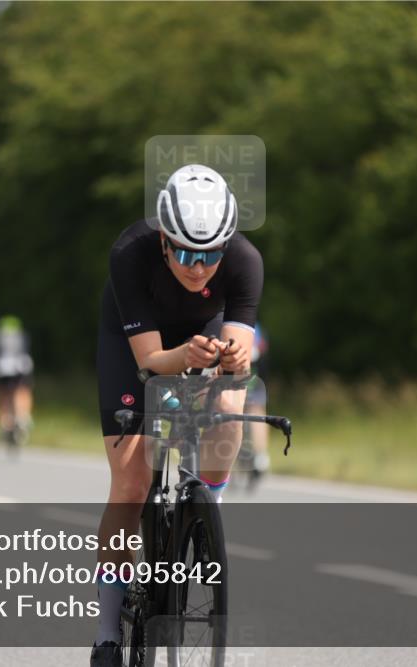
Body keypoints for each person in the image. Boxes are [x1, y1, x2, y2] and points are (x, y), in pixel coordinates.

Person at [91, 164, 263, 666]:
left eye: (211, 255)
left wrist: (234, 360)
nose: (198, 267)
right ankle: (106, 634)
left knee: (231, 408)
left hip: (200, 332)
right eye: (186, 252)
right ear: (164, 239)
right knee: (130, 484)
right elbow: (150, 363)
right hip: (134, 343)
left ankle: (207, 511)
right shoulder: (130, 253)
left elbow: (242, 355)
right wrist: (187, 356)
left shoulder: (246, 261)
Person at [0, 315, 34, 447]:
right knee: (23, 391)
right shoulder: (22, 335)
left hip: (1, 367)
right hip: (20, 367)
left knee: (3, 394)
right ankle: (23, 417)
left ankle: (5, 422)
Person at [242, 322, 271, 489]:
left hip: (249, 369)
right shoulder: (252, 322)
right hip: (253, 370)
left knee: (255, 408)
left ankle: (259, 455)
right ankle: (261, 456)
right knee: (256, 409)